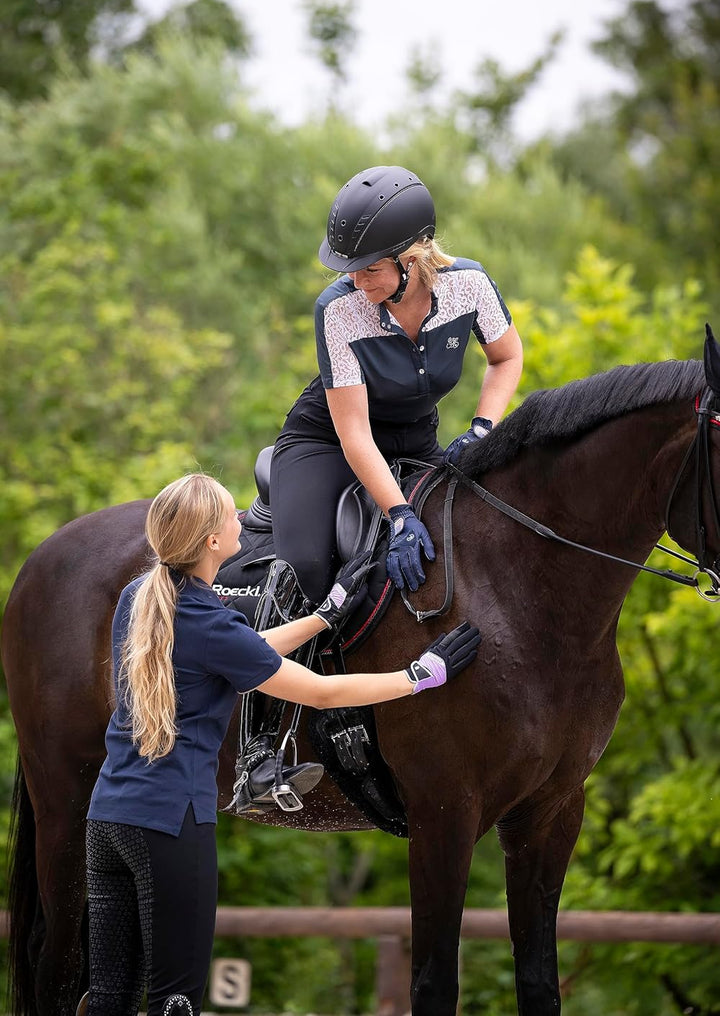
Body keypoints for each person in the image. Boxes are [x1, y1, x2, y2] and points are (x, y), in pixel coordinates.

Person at [81, 472, 480, 1016]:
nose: (240, 518)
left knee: (109, 999)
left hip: (108, 818)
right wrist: (416, 676)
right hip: (169, 824)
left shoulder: (140, 598)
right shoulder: (205, 621)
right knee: (175, 1003)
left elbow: (242, 649)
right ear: (212, 542)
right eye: (229, 514)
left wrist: (322, 618)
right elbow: (319, 692)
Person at [269, 164, 523, 601]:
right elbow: (354, 434)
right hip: (328, 441)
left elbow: (506, 357)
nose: (353, 279)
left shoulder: (470, 284)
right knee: (306, 570)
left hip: (416, 438)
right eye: (350, 269)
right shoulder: (337, 309)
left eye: (368, 269)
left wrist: (483, 427)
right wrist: (400, 514)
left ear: (411, 259)